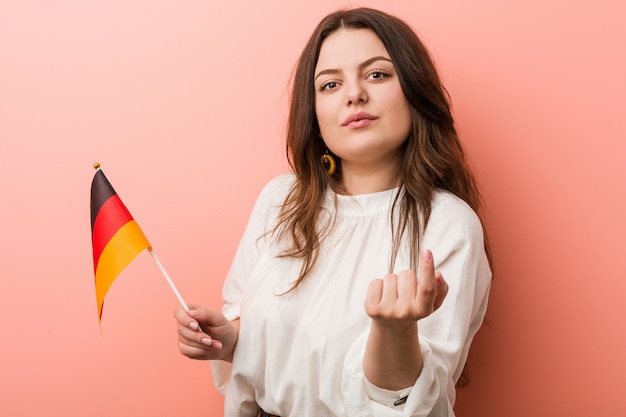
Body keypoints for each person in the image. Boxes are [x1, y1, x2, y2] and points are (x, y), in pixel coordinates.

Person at [174, 7, 492, 417]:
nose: (354, 94)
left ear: (414, 91)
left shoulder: (448, 225)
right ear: (315, 114)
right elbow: (264, 340)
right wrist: (228, 339)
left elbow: (410, 403)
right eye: (330, 84)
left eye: (377, 75)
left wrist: (393, 331)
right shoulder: (279, 200)